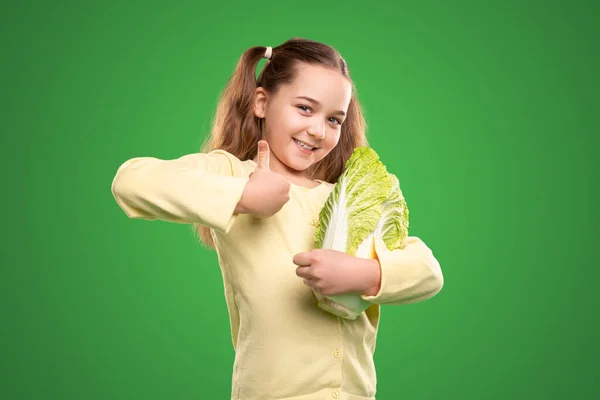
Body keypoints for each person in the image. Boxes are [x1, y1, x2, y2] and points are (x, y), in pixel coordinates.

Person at [111, 37, 444, 400]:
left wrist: (363, 274)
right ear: (262, 103)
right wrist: (243, 197)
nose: (318, 130)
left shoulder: (347, 199)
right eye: (304, 108)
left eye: (334, 119)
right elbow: (131, 181)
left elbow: (428, 271)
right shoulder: (236, 174)